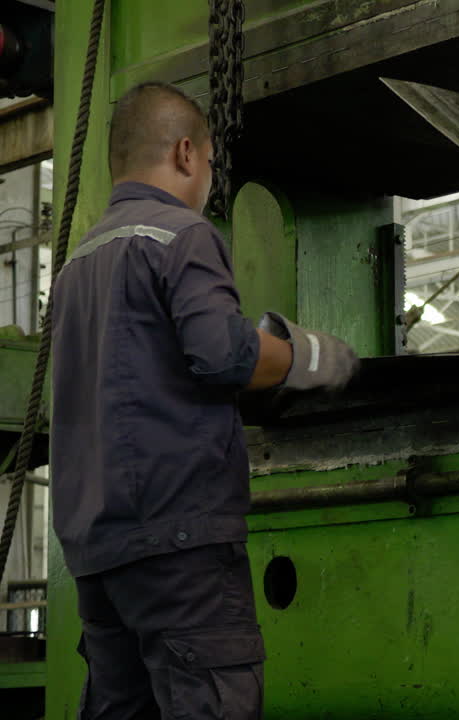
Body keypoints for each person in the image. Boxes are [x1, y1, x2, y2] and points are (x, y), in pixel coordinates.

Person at [48, 81, 359, 719]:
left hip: (97, 556)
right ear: (186, 154)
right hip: (180, 546)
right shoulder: (180, 235)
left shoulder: (76, 266)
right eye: (212, 166)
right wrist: (312, 355)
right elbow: (225, 354)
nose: (208, 182)